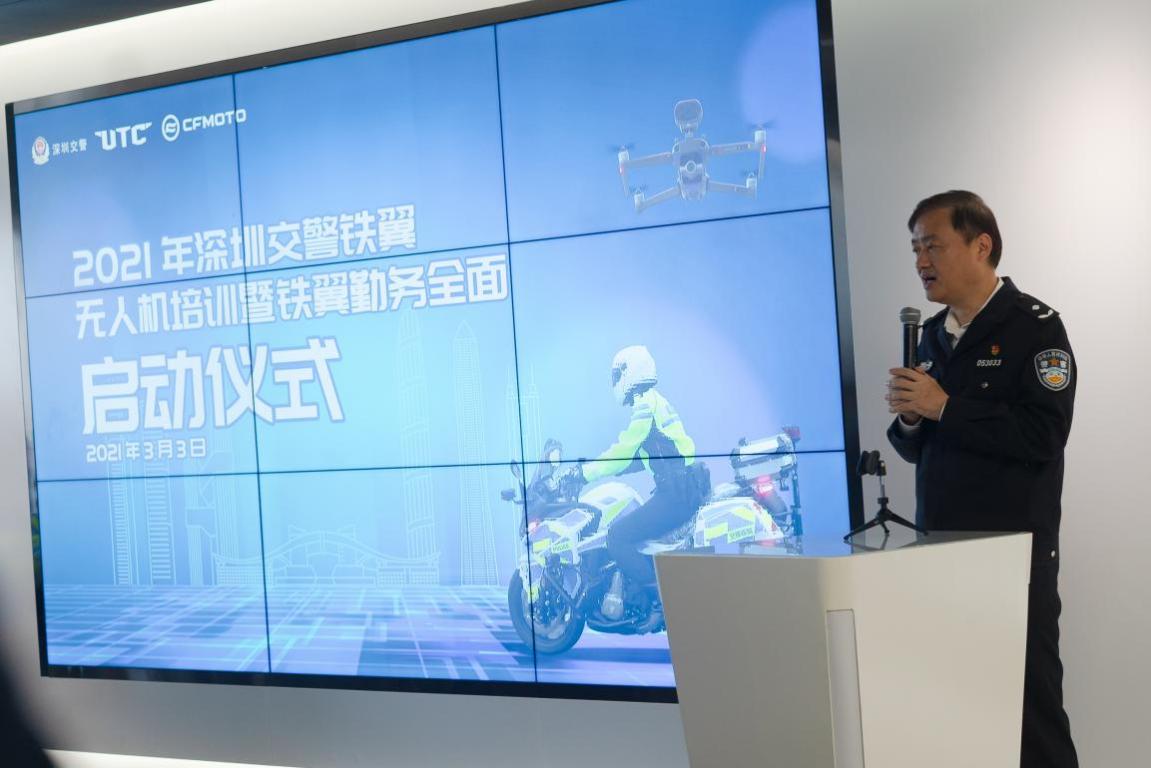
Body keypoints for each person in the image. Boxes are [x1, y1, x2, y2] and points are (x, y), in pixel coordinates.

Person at [886, 190, 1078, 768]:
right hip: (941, 553)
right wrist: (910, 418)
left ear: (981, 246)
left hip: (1012, 558)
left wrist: (944, 406)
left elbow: (1043, 435)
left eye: (933, 246)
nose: (921, 261)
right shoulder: (931, 335)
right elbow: (918, 448)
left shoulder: (1035, 328)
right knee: (957, 714)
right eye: (915, 249)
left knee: (1031, 717)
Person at [575, 345, 707, 631]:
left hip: (674, 495)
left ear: (628, 372)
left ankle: (660, 604)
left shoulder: (645, 406)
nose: (615, 382)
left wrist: (584, 473)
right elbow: (647, 455)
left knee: (617, 537)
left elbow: (623, 450)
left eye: (616, 375)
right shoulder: (657, 401)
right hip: (684, 489)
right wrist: (607, 467)